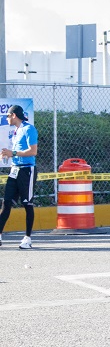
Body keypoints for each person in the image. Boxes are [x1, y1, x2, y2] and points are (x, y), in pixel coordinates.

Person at [0, 105, 38, 249]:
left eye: (8, 116)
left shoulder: (29, 129)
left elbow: (33, 151)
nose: (7, 119)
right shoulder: (16, 130)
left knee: (27, 203)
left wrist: (13, 153)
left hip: (27, 170)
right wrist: (6, 154)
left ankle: (27, 238)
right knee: (7, 202)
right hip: (14, 170)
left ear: (14, 115)